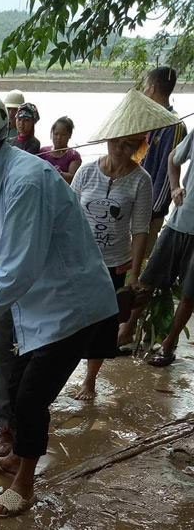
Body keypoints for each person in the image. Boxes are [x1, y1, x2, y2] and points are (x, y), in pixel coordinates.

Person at [0, 95, 118, 517]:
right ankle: (16, 456)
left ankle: (25, 485)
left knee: (32, 399)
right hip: (41, 306)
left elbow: (14, 276)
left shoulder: (26, 182)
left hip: (74, 307)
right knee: (14, 384)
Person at [71, 90, 160, 400]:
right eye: (117, 142)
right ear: (107, 139)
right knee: (69, 320)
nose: (122, 150)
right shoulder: (85, 171)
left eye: (130, 145)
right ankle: (60, 371)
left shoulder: (141, 180)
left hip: (114, 264)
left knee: (102, 324)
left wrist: (135, 273)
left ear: (139, 148)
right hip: (79, 261)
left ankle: (90, 379)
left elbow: (139, 231)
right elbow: (70, 216)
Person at [119, 107, 193, 367]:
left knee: (190, 294)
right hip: (179, 222)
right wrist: (174, 188)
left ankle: (168, 343)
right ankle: (125, 332)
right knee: (148, 280)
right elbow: (174, 157)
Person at [141, 67, 188, 254]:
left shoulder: (173, 125)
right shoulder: (151, 120)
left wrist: (154, 209)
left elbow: (167, 172)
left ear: (152, 88)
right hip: (137, 201)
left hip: (151, 207)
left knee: (142, 255)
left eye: (145, 87)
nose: (144, 92)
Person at [38, 116, 82, 183]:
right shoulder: (43, 152)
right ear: (51, 134)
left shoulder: (73, 155)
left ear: (69, 135)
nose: (59, 137)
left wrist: (59, 173)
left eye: (63, 135)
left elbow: (74, 178)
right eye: (56, 134)